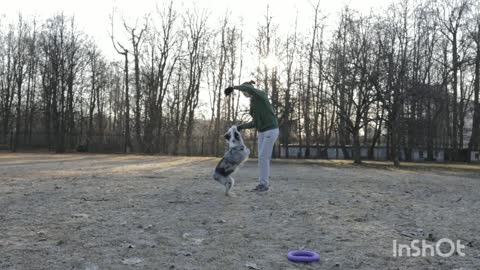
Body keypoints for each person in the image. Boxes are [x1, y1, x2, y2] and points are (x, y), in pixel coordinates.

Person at [224, 80, 279, 192]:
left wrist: (234, 87)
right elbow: (255, 122)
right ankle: (263, 183)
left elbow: (250, 89)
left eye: (245, 90)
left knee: (263, 157)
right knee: (262, 158)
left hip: (271, 130)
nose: (244, 93)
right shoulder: (253, 104)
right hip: (262, 132)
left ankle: (264, 185)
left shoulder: (261, 95)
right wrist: (241, 127)